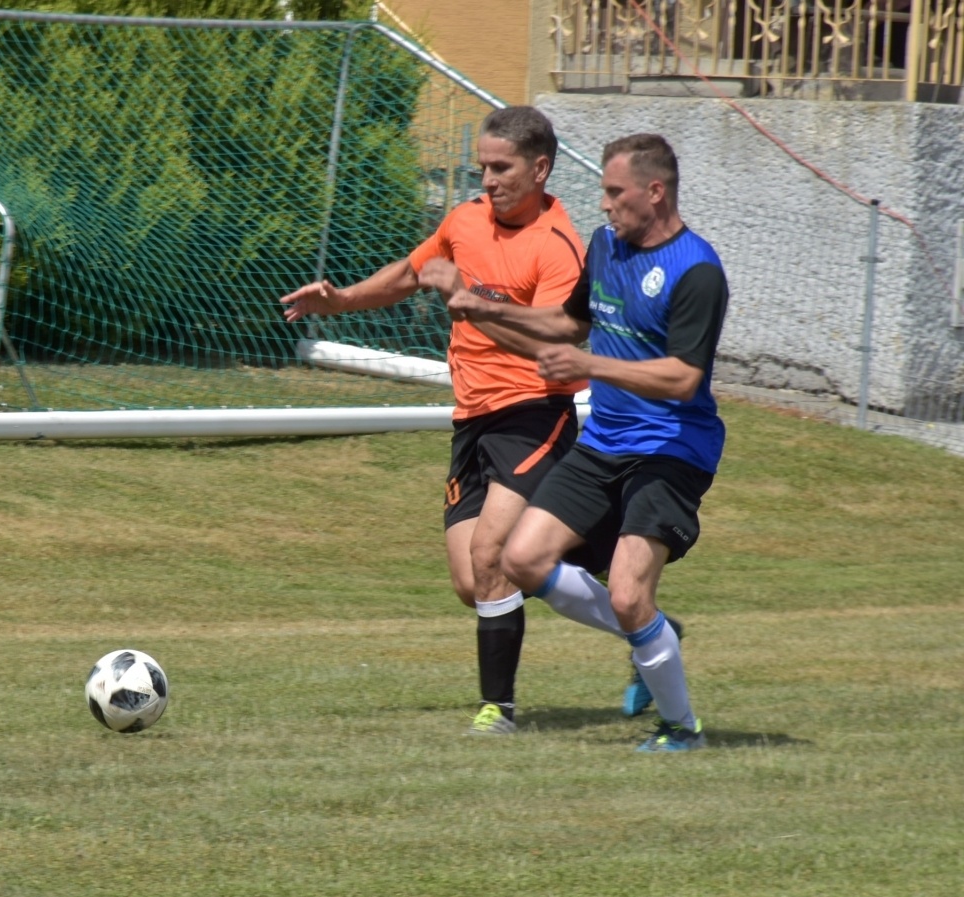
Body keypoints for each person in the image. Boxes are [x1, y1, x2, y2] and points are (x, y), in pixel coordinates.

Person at [280, 106, 588, 736]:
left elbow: (560, 347)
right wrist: (340, 301)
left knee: (490, 555)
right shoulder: (465, 221)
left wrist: (471, 307)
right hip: (472, 419)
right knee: (470, 582)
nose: (488, 180)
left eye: (501, 168)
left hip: (535, 414)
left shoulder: (559, 245)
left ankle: (496, 711)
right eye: (481, 167)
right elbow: (410, 273)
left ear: (540, 168)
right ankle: (630, 610)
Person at [447, 132, 729, 752]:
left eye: (614, 192)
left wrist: (590, 368)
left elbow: (683, 378)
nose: (604, 205)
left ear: (654, 192)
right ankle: (655, 636)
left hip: (672, 449)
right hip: (603, 442)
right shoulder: (604, 247)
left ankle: (682, 728)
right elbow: (568, 323)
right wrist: (486, 307)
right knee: (521, 560)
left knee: (629, 593)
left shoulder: (697, 271)